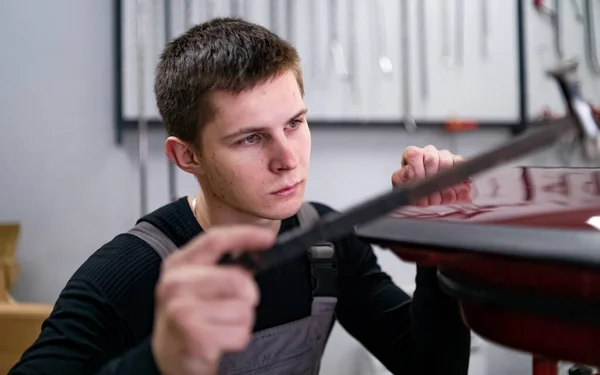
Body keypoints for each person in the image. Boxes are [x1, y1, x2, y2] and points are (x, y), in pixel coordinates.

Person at [9, 17, 473, 375]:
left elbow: (431, 368)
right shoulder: (123, 277)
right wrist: (158, 362)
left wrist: (438, 251)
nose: (287, 158)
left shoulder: (327, 246)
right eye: (250, 138)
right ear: (187, 156)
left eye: (294, 123)